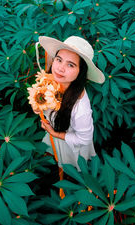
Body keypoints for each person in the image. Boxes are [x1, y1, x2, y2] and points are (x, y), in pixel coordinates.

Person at [36, 36, 105, 170]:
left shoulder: (80, 109)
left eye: (70, 65)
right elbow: (42, 101)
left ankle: (72, 175)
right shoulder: (51, 80)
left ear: (81, 72)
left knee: (70, 166)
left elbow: (83, 139)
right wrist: (38, 105)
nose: (60, 68)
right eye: (59, 59)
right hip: (54, 130)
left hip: (70, 143)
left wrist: (55, 134)